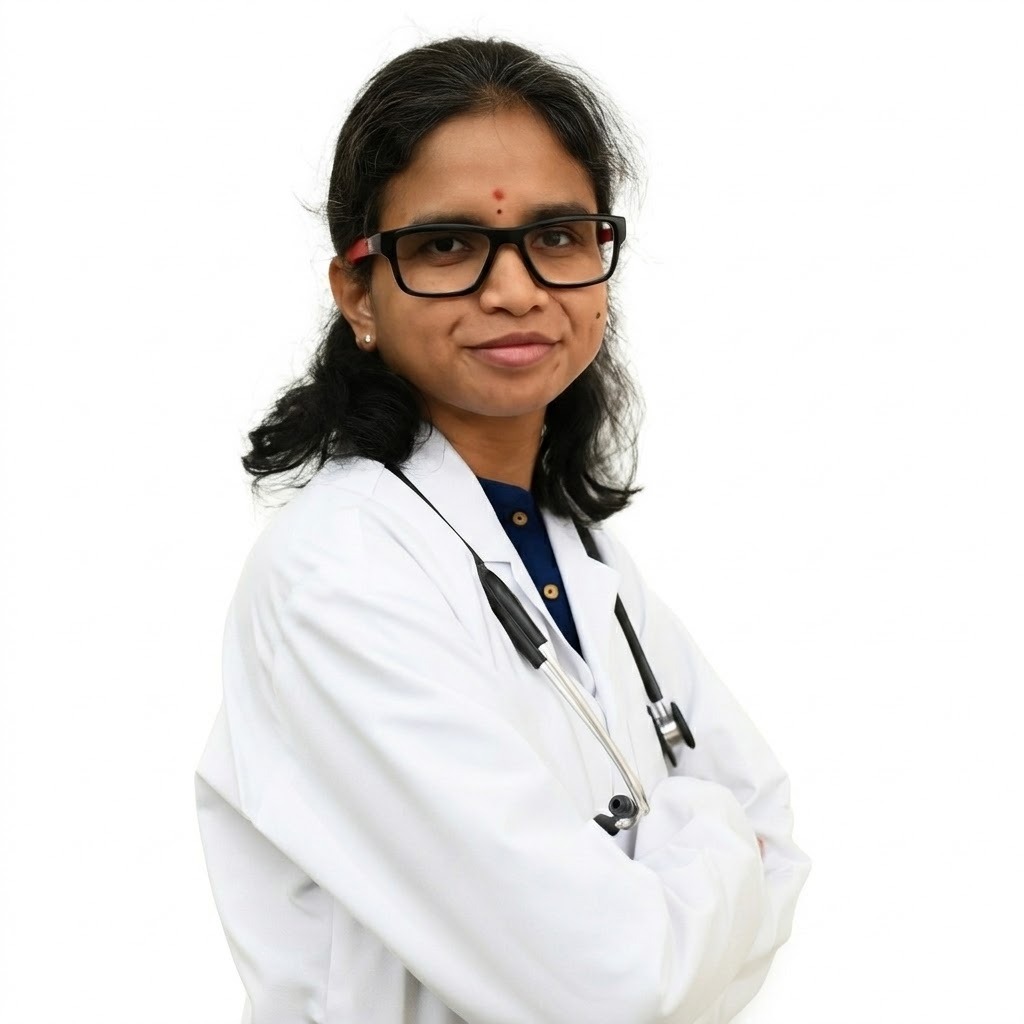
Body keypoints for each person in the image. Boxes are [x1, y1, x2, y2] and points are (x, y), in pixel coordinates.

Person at [195, 36, 810, 1024]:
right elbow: (614, 986)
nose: (515, 289)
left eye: (556, 236)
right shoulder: (341, 574)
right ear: (357, 293)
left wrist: (673, 905)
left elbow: (781, 845)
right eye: (447, 245)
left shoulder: (576, 549)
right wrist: (706, 835)